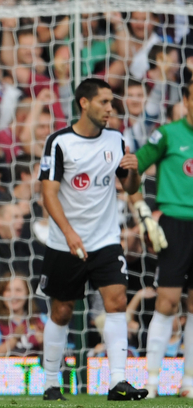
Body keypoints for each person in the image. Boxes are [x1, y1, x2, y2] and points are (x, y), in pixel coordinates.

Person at [38, 78, 145, 401]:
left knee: (116, 301)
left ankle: (117, 383)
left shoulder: (116, 139)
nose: (110, 108)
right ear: (84, 103)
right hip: (64, 242)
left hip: (105, 239)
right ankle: (50, 383)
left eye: (111, 102)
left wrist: (134, 170)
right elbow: (48, 193)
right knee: (62, 311)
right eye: (104, 102)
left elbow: (130, 187)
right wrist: (69, 232)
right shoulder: (59, 142)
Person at [132, 80, 193, 399]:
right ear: (186, 99)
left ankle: (189, 385)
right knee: (167, 302)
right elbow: (133, 167)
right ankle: (152, 384)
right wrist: (142, 211)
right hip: (174, 225)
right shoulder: (168, 134)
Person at [0, 271, 45, 356]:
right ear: (1, 294)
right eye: (8, 290)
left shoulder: (41, 319)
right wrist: (14, 339)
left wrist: (43, 342)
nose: (13, 295)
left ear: (27, 293)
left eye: (18, 290)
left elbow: (58, 353)